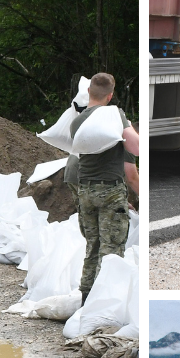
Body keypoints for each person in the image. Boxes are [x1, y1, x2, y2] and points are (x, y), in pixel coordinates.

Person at [69, 73, 139, 302]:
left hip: (85, 191)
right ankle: (104, 303)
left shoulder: (77, 121)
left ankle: (86, 300)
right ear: (110, 95)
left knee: (92, 248)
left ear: (88, 91)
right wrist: (127, 125)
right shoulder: (114, 115)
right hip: (110, 190)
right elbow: (136, 148)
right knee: (111, 251)